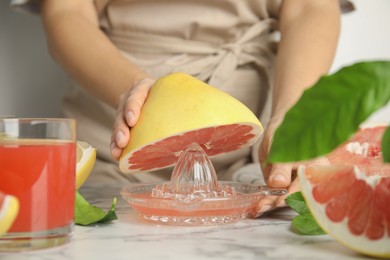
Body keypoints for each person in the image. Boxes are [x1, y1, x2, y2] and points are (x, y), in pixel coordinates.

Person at [11, 0, 354, 217]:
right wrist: (133, 90)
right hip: (114, 154)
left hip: (254, 161)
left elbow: (311, 6)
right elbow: (67, 10)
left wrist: (293, 117)